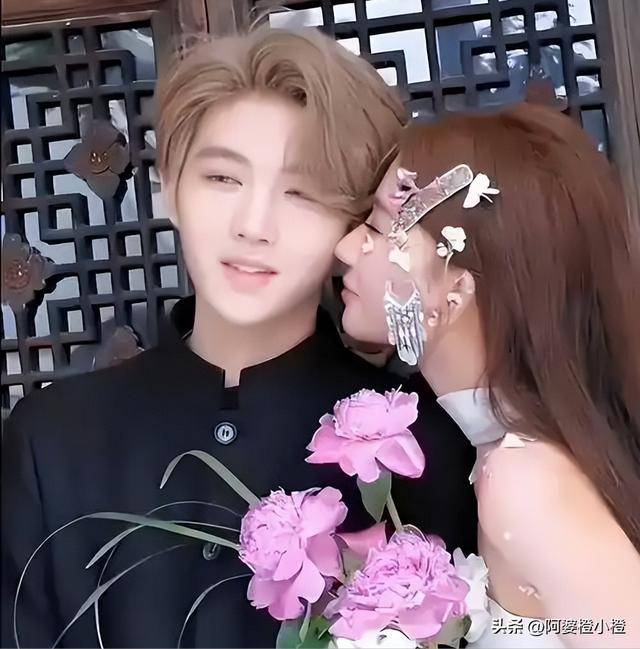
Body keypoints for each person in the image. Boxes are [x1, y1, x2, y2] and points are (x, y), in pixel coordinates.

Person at [1, 26, 476, 648]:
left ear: (356, 223)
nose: (254, 226)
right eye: (223, 179)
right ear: (170, 185)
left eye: (302, 192)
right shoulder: (52, 438)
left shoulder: (423, 443)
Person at [335, 102, 640, 648]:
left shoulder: (524, 479)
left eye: (379, 229)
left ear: (458, 283)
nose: (344, 248)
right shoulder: (503, 455)